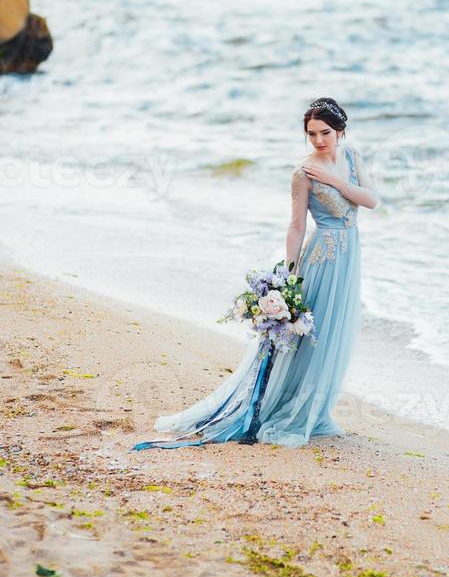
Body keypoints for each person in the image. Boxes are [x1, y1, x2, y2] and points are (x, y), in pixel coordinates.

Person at [131, 97, 378, 452]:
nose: (319, 140)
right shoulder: (303, 172)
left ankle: (318, 410)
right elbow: (295, 226)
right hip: (322, 257)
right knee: (312, 337)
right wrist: (291, 276)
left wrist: (335, 181)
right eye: (312, 134)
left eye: (325, 132)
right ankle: (287, 407)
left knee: (336, 334)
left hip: (350, 256)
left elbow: (371, 200)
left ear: (340, 131)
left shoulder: (352, 158)